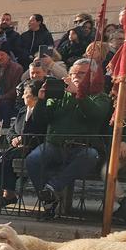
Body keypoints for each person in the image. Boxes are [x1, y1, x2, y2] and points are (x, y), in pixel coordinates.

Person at [25, 59, 112, 216]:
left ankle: (51, 188)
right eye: (73, 73)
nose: (76, 76)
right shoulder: (60, 95)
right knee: (33, 159)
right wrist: (42, 101)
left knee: (90, 156)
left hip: (82, 147)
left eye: (81, 73)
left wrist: (78, 94)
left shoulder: (100, 96)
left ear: (92, 76)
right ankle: (49, 200)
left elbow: (95, 115)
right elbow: (41, 119)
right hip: (54, 145)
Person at [0, 80, 47, 207]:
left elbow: (41, 131)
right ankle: (3, 194)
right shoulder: (22, 110)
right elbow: (12, 131)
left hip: (34, 147)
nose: (22, 96)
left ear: (35, 96)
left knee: (5, 159)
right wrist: (14, 139)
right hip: (17, 148)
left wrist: (23, 139)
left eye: (26, 93)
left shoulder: (42, 111)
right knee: (4, 159)